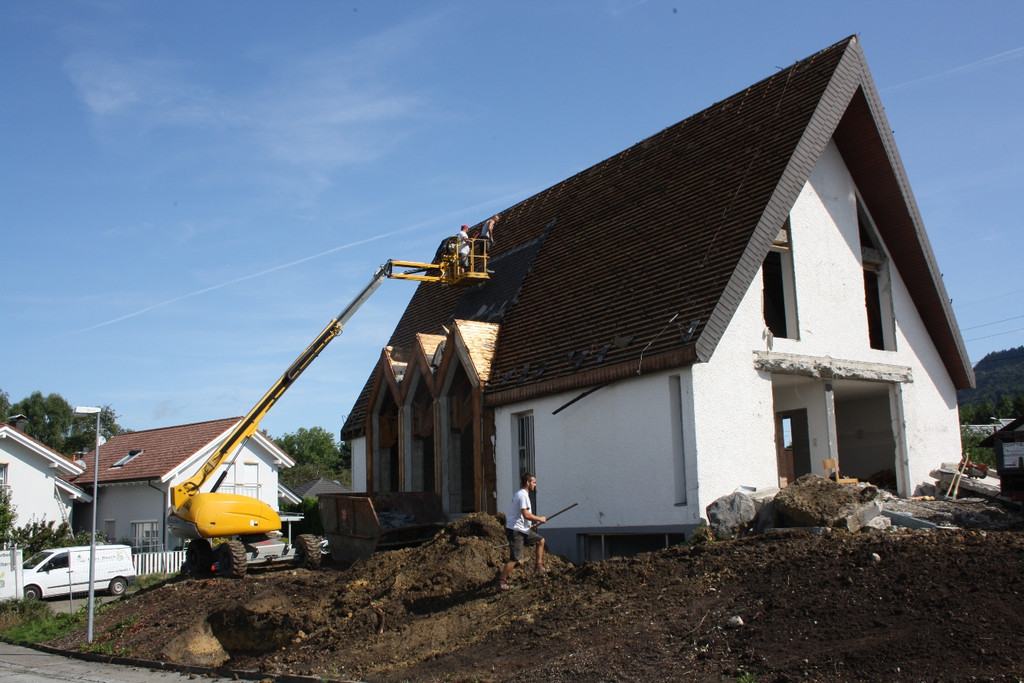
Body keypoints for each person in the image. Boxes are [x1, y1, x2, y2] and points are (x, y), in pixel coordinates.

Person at [496, 472, 547, 591]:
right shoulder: (523, 495)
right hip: (516, 531)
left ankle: (538, 566)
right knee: (515, 559)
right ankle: (501, 582)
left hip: (522, 529)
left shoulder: (521, 494)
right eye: (534, 482)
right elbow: (526, 514)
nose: (535, 485)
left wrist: (529, 526)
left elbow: (521, 516)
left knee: (541, 541)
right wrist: (540, 519)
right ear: (528, 483)